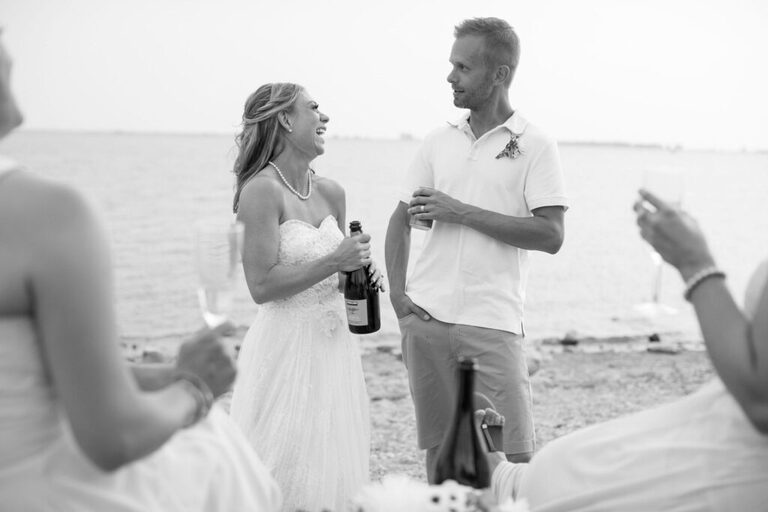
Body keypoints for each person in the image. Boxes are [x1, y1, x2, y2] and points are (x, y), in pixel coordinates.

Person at [0, 34, 282, 511]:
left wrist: (169, 373)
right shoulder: (49, 214)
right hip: (39, 491)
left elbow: (38, 370)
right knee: (216, 444)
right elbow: (114, 439)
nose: (10, 48)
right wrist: (195, 389)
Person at [484, 190, 768, 511]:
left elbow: (762, 401)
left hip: (734, 469)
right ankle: (505, 480)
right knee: (557, 467)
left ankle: (496, 482)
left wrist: (695, 263)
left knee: (554, 477)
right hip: (723, 429)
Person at [384, 17, 569, 480]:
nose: (451, 76)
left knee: (510, 458)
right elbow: (400, 221)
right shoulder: (438, 140)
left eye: (463, 67)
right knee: (439, 455)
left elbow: (551, 235)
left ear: (499, 74)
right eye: (452, 65)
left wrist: (461, 212)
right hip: (427, 320)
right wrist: (399, 298)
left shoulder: (535, 144)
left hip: (493, 322)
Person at [228, 83, 382, 512]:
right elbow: (261, 286)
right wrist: (336, 260)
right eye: (313, 108)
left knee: (332, 466)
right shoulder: (261, 191)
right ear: (284, 119)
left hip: (334, 347)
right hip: (285, 348)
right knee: (282, 467)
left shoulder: (332, 192)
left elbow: (338, 276)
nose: (324, 117)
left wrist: (359, 273)